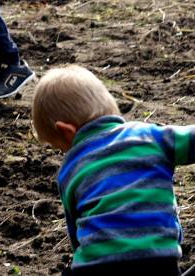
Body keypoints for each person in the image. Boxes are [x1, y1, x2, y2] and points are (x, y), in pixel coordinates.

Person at [33, 64, 195, 276]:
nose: (65, 153)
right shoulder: (150, 136)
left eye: (60, 148)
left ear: (67, 131)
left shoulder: (69, 169)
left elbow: (75, 234)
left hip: (97, 267)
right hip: (158, 260)